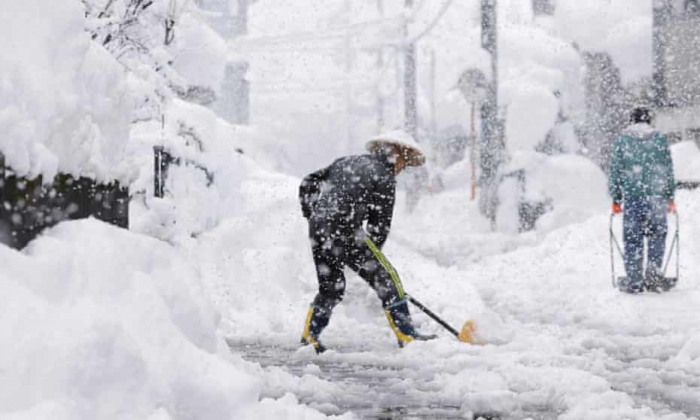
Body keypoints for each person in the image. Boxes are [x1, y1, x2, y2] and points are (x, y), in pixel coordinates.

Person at [298, 131, 436, 353]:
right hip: (346, 230)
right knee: (388, 278)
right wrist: (371, 260)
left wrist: (313, 214)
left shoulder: (346, 162)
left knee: (331, 287)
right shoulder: (384, 175)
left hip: (318, 228)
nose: (403, 168)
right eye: (404, 162)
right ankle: (407, 335)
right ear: (396, 154)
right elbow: (379, 225)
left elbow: (308, 182)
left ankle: (310, 335)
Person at [609, 107, 676, 294]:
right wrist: (669, 196)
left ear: (632, 120)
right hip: (656, 198)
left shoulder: (623, 141)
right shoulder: (659, 140)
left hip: (633, 198)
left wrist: (616, 198)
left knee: (632, 239)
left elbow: (615, 171)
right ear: (648, 120)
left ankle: (634, 280)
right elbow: (667, 170)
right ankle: (654, 277)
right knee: (657, 237)